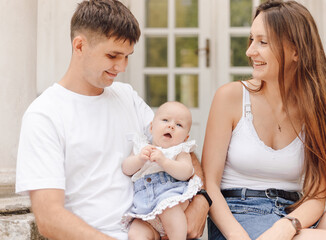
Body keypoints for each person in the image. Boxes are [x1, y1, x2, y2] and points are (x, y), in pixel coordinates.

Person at [15, 1, 208, 239]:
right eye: (113, 55)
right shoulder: (44, 115)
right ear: (79, 46)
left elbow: (178, 146)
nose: (122, 67)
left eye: (127, 56)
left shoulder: (127, 96)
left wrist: (201, 199)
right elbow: (49, 218)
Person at [201, 1, 326, 240]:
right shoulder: (231, 97)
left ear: (296, 51)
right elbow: (209, 184)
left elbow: (317, 197)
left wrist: (286, 226)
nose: (250, 51)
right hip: (241, 217)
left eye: (262, 42)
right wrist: (236, 235)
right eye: (251, 39)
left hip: (294, 217)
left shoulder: (316, 108)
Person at [121, 101, 203, 240]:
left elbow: (186, 172)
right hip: (145, 208)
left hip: (170, 198)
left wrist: (164, 162)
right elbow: (126, 168)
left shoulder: (179, 151)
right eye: (165, 120)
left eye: (179, 125)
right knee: (135, 233)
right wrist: (140, 159)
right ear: (152, 127)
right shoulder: (141, 147)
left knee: (171, 213)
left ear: (186, 138)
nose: (171, 126)